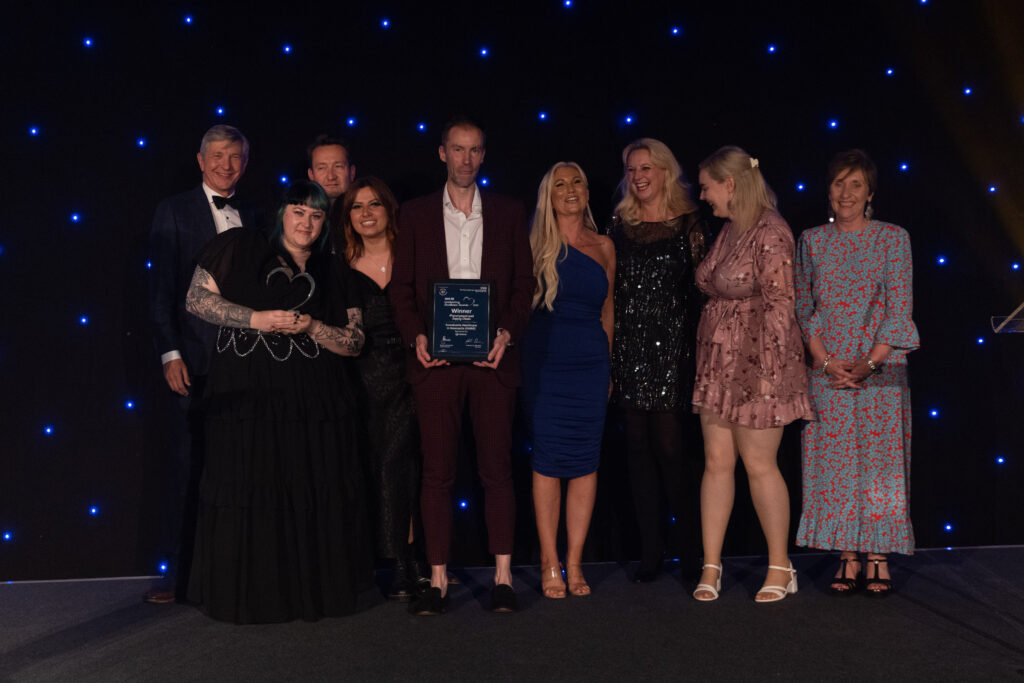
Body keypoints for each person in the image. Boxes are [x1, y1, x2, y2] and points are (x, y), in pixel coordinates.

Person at [184, 180, 373, 623]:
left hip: (312, 403)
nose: (306, 222)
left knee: (307, 489)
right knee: (251, 488)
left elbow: (354, 342)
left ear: (325, 222)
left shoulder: (335, 270)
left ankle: (307, 595)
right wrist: (256, 319)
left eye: (316, 215)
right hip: (248, 399)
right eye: (298, 211)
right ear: (281, 214)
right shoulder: (241, 244)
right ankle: (253, 596)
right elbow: (196, 299)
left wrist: (311, 328)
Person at [391, 117, 535, 615]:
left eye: (474, 150)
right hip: (437, 364)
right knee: (437, 474)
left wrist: (507, 334)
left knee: (497, 472)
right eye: (457, 150)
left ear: (483, 155)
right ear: (441, 153)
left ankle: (502, 578)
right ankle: (437, 580)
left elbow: (524, 286)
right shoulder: (413, 214)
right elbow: (402, 290)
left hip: (494, 361)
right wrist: (417, 337)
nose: (466, 159)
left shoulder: (510, 212)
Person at [795, 149, 919, 597]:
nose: (845, 193)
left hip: (881, 370)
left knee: (882, 467)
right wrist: (827, 361)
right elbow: (804, 306)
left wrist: (869, 363)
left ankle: (879, 556)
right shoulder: (810, 240)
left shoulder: (893, 238)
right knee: (834, 467)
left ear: (870, 193)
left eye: (856, 185)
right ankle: (847, 555)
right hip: (828, 372)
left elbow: (899, 305)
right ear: (827, 191)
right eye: (838, 184)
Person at [692, 146, 812, 603]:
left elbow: (782, 304)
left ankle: (781, 566)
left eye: (707, 186)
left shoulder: (771, 230)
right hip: (719, 364)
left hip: (760, 362)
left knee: (759, 464)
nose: (703, 195)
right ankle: (711, 565)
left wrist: (767, 371)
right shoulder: (729, 230)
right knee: (716, 461)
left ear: (731, 184)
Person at [146, 124, 259, 604]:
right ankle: (177, 575)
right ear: (200, 160)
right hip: (193, 359)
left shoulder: (257, 213)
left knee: (247, 468)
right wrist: (170, 352)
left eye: (234, 157)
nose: (225, 165)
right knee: (189, 467)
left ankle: (242, 571)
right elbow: (160, 292)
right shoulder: (172, 211)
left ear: (245, 163)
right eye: (217, 156)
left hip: (251, 362)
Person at [608, 138, 707, 583]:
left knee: (671, 448)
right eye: (632, 170)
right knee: (636, 449)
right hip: (629, 349)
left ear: (666, 171)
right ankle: (650, 551)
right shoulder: (619, 225)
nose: (639, 176)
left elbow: (704, 294)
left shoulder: (691, 224)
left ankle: (691, 551)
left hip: (674, 351)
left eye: (647, 168)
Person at [521, 162, 615, 598]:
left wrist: (609, 366)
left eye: (577, 180)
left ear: (588, 189)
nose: (570, 190)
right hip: (546, 366)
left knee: (584, 463)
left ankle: (574, 562)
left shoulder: (605, 246)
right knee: (547, 462)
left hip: (591, 367)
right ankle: (548, 561)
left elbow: (608, 311)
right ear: (548, 195)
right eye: (560, 184)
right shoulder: (533, 244)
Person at [340, 176, 424, 600]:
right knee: (368, 467)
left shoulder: (414, 256)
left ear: (390, 209)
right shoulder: (339, 265)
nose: (367, 213)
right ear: (349, 217)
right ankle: (372, 560)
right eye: (357, 207)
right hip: (358, 380)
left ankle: (405, 561)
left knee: (399, 465)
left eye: (375, 204)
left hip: (411, 375)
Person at [307, 134, 357, 251]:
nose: (331, 176)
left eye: (338, 166)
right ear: (311, 175)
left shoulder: (367, 217)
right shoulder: (300, 223)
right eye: (322, 168)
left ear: (352, 173)